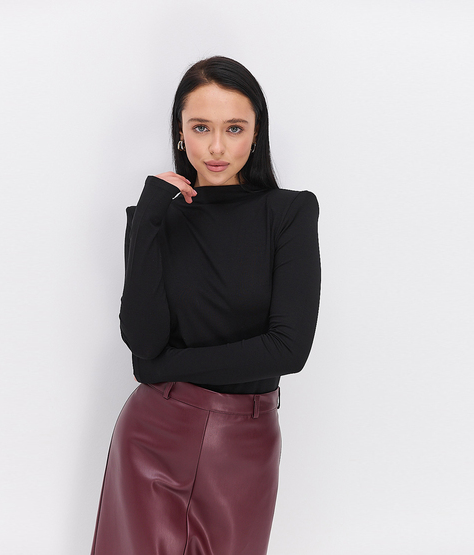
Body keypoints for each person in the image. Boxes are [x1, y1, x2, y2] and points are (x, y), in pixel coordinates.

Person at [91, 55, 321, 555]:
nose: (217, 147)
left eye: (234, 128)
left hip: (244, 444)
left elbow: (289, 349)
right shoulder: (154, 219)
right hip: (151, 437)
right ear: (180, 133)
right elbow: (144, 339)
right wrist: (148, 217)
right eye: (201, 127)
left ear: (256, 134)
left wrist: (166, 368)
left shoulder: (288, 213)